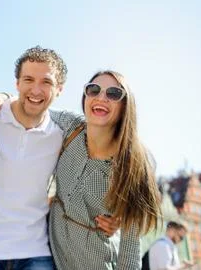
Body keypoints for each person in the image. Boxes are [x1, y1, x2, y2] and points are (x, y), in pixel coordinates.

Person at [0, 46, 117, 270]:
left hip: (36, 252)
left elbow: (93, 170)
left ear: (60, 89)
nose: (36, 89)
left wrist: (112, 218)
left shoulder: (62, 134)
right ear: (17, 84)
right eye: (28, 79)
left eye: (46, 82)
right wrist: (2, 97)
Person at [48, 70, 161, 269]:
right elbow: (33, 107)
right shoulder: (71, 127)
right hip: (50, 258)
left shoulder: (132, 165)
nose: (101, 97)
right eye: (93, 90)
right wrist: (4, 97)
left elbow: (130, 251)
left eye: (114, 94)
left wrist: (117, 222)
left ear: (126, 106)